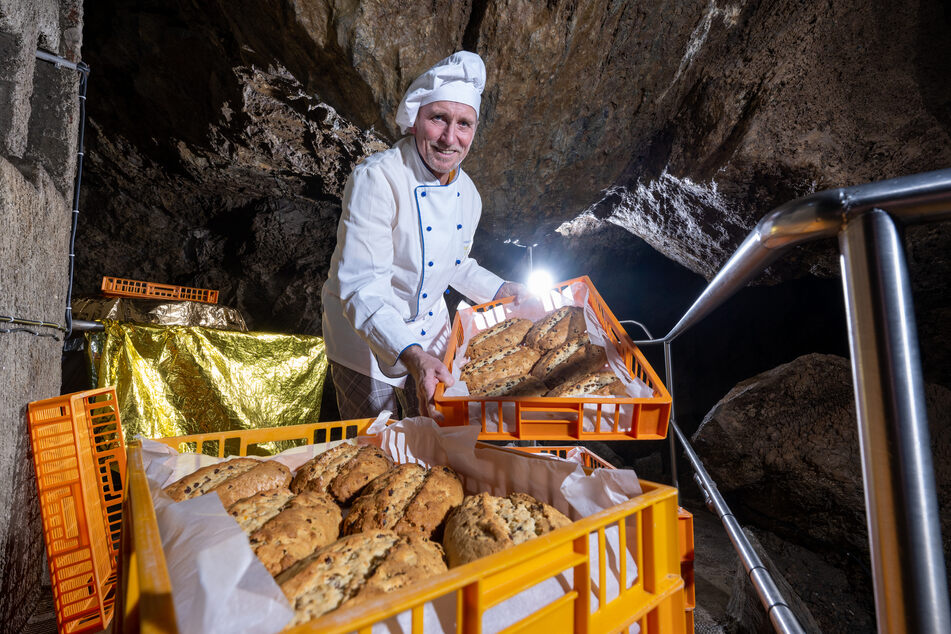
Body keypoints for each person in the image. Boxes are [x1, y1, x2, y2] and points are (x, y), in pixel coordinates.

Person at [321, 51, 523, 421]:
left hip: (431, 330)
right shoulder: (378, 179)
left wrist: (500, 291)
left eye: (464, 124)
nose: (450, 138)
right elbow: (362, 287)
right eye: (439, 119)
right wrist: (412, 355)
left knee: (440, 437)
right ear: (415, 120)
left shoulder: (469, 195)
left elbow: (454, 263)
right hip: (364, 333)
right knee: (375, 449)